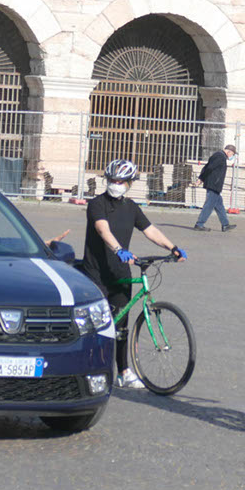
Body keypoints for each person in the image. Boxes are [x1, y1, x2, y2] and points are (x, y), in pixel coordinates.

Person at [80, 159, 188, 389]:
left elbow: (150, 231)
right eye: (112, 180)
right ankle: (87, 367)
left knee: (122, 327)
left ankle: (124, 372)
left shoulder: (131, 208)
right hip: (96, 273)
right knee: (96, 325)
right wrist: (118, 249)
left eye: (120, 181)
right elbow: (102, 229)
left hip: (120, 272)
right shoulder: (97, 204)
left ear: (129, 183)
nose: (116, 184)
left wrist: (172, 248)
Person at [194, 144, 238, 232]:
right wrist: (201, 178)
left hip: (215, 185)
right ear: (229, 152)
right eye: (232, 154)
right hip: (214, 185)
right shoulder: (220, 157)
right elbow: (209, 168)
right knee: (209, 205)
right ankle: (199, 224)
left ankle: (225, 225)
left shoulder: (218, 155)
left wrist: (201, 178)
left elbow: (207, 167)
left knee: (219, 205)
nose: (232, 156)